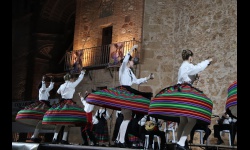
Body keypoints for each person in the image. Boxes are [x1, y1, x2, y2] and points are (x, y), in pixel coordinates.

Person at [85, 44, 155, 148]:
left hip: (129, 92)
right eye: (132, 61)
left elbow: (136, 81)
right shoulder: (123, 68)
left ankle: (120, 140)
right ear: (128, 62)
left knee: (126, 118)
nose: (133, 63)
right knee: (126, 118)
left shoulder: (130, 71)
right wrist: (131, 49)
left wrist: (148, 78)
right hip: (123, 92)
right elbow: (126, 59)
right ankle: (121, 140)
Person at [148, 49, 213, 150]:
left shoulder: (183, 66)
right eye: (192, 57)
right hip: (185, 91)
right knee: (192, 120)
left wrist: (194, 77)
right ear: (190, 57)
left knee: (183, 121)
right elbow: (197, 67)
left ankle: (180, 143)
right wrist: (207, 61)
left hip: (180, 90)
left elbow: (187, 75)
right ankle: (181, 143)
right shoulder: (188, 65)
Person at [42, 70, 87, 144]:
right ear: (70, 79)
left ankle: (54, 138)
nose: (73, 79)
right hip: (69, 103)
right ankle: (64, 139)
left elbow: (58, 92)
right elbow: (79, 79)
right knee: (67, 122)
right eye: (72, 78)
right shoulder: (72, 84)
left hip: (62, 103)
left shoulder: (62, 85)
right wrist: (82, 73)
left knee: (59, 122)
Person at [15, 75, 54, 143]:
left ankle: (35, 136)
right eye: (45, 83)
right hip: (42, 104)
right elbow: (44, 88)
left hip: (46, 104)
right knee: (41, 120)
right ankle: (35, 136)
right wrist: (43, 81)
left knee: (41, 121)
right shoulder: (41, 89)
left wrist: (52, 81)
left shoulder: (46, 90)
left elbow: (51, 87)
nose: (46, 84)